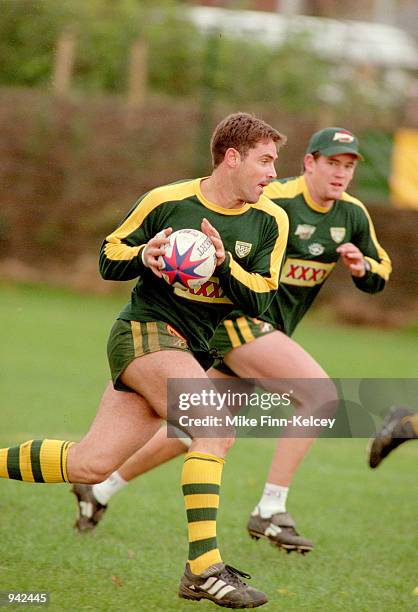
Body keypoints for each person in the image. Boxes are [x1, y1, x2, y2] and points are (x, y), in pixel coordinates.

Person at [0, 112, 290, 609]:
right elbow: (109, 256)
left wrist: (224, 263)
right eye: (265, 161)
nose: (272, 174)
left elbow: (262, 299)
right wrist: (146, 256)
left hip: (189, 347)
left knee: (90, 465)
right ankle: (204, 569)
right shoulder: (166, 200)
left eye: (275, 164)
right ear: (232, 157)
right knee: (215, 426)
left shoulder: (271, 220)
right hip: (143, 331)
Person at [72, 127, 392, 553]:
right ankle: (270, 509)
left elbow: (381, 271)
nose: (341, 174)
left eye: (349, 167)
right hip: (240, 322)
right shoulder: (270, 200)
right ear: (310, 162)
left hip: (264, 332)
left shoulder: (351, 215)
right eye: (332, 163)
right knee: (321, 397)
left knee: (196, 430)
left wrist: (361, 268)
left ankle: (101, 489)